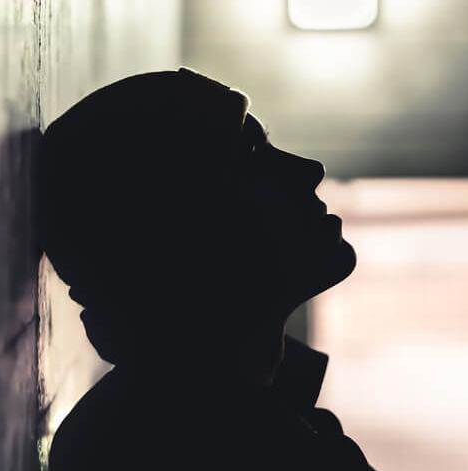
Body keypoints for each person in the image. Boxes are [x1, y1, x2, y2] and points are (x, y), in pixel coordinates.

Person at [37, 68, 373, 470]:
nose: (309, 168)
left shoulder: (189, 417)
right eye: (251, 156)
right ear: (181, 234)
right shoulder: (185, 445)